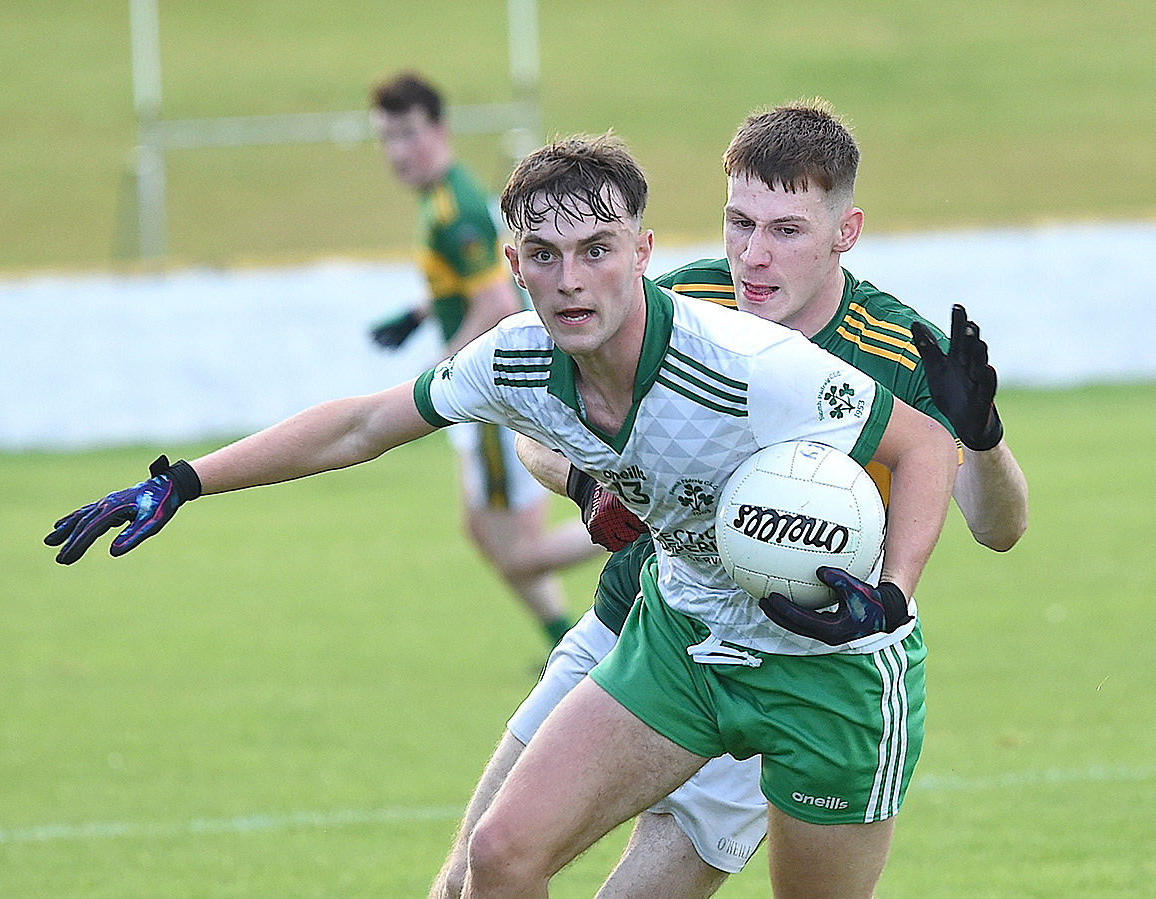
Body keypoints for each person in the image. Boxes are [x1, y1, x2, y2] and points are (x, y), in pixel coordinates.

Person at [45, 133, 956, 899]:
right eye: (545, 256)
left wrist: (890, 593)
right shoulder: (514, 357)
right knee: (500, 855)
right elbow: (363, 425)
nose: (571, 280)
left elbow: (924, 447)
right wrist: (186, 482)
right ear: (513, 265)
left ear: (643, 252)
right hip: (681, 641)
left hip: (829, 671)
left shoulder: (746, 364)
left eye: (597, 249)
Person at [427, 100, 1027, 899]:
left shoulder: (900, 350)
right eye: (739, 223)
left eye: (786, 230)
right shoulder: (681, 298)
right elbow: (543, 416)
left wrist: (982, 438)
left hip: (788, 660)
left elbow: (999, 527)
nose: (753, 254)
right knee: (471, 876)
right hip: (637, 625)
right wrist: (585, 479)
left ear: (844, 232)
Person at [368, 72, 600, 648]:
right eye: (387, 137)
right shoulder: (442, 199)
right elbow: (474, 284)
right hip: (491, 389)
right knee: (481, 530)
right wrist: (420, 313)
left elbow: (496, 305)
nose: (397, 151)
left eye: (408, 133)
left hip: (492, 394)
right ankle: (562, 641)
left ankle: (639, 526)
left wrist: (441, 371)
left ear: (439, 129)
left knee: (518, 553)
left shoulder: (456, 210)